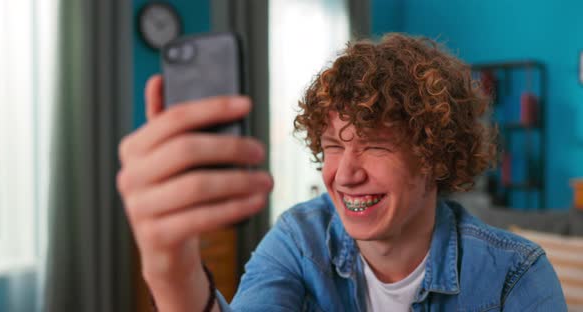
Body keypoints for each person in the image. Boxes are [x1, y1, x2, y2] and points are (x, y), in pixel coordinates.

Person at [117, 33, 566, 311]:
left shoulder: (515, 275)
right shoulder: (299, 240)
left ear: (433, 156)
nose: (345, 174)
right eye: (333, 146)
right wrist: (170, 269)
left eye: (372, 147)